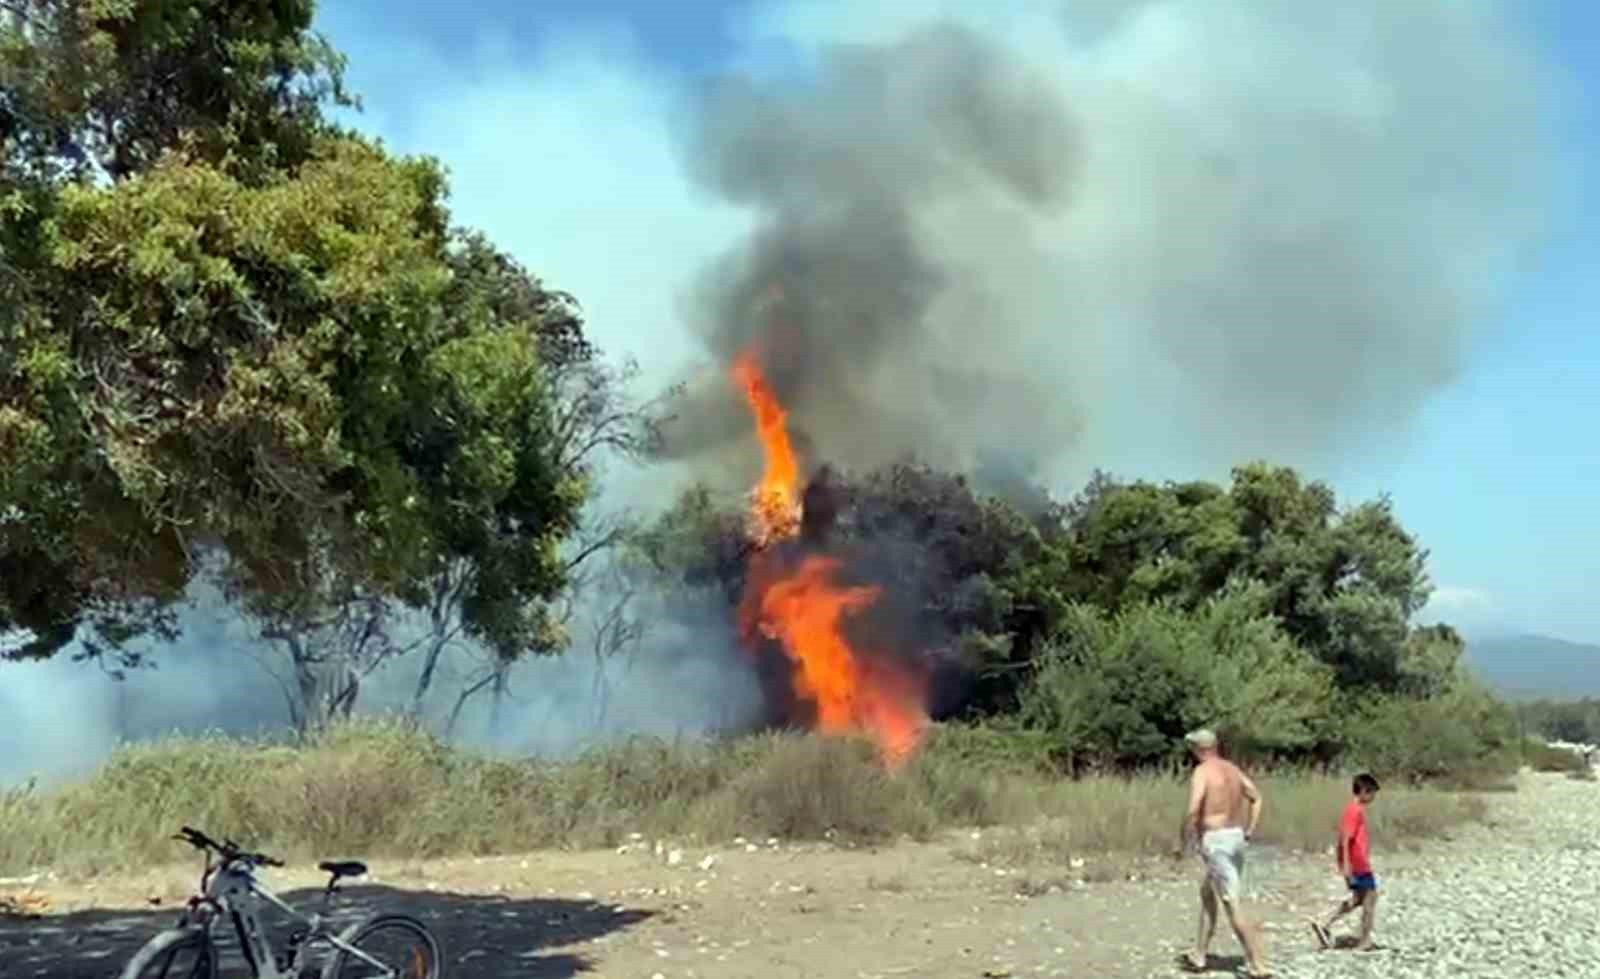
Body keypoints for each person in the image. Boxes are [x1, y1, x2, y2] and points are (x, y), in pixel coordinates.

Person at [1177, 728, 1270, 977]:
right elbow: (1256, 797)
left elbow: (1194, 809)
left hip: (1216, 841)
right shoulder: (1232, 769)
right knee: (1208, 891)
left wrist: (1183, 838)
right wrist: (1249, 830)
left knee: (1230, 901)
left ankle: (1257, 963)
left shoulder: (1202, 772)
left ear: (1198, 749)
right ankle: (1199, 954)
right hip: (1236, 837)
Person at [1311, 772, 1381, 951]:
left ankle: (1325, 923)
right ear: (1364, 791)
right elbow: (1345, 838)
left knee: (1359, 899)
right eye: (1372, 792)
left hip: (1356, 862)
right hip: (1358, 864)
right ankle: (1364, 940)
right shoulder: (1354, 810)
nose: (1373, 797)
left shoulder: (1354, 810)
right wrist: (1347, 866)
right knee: (1370, 899)